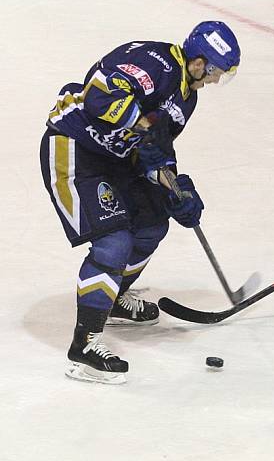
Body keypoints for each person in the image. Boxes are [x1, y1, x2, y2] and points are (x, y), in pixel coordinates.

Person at [40, 21, 241, 384]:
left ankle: (113, 298)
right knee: (114, 243)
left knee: (152, 223)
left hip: (115, 160)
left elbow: (154, 151)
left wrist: (175, 189)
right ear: (198, 61)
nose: (213, 80)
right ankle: (84, 348)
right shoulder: (154, 63)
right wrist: (144, 129)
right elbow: (100, 97)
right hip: (76, 149)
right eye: (213, 71)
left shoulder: (186, 98)